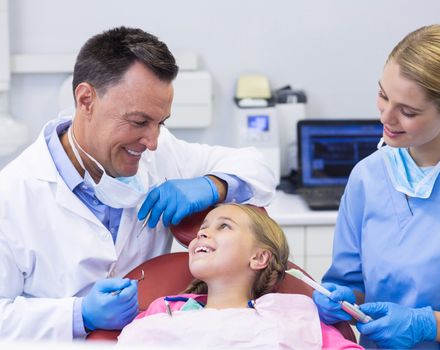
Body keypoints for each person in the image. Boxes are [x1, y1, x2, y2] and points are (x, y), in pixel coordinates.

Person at [0, 26, 276, 341]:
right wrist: (79, 315)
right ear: (86, 100)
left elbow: (259, 168)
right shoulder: (11, 196)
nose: (153, 141)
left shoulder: (162, 155)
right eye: (139, 122)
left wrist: (212, 185)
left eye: (161, 123)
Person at [313, 24, 440, 350]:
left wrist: (427, 325)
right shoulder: (367, 177)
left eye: (407, 111)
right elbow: (354, 284)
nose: (386, 118)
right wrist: (344, 299)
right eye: (383, 95)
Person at [117, 204, 363, 349]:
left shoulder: (292, 315)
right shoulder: (164, 310)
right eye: (203, 228)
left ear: (259, 258)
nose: (203, 233)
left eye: (223, 226)